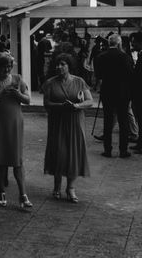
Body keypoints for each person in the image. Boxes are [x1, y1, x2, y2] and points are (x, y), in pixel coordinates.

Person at [0, 52, 32, 210]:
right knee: (0, 158)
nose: (7, 69)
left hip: (14, 123)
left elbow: (28, 100)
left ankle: (23, 195)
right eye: (4, 67)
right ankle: (1, 191)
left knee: (17, 159)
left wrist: (19, 95)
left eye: (9, 66)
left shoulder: (17, 79)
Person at [42, 53, 93, 203]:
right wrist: (60, 106)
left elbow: (90, 101)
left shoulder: (79, 82)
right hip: (57, 122)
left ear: (69, 66)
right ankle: (57, 186)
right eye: (57, 64)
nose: (59, 67)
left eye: (62, 64)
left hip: (75, 122)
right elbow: (46, 104)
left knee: (73, 153)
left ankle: (70, 187)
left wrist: (77, 105)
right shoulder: (50, 83)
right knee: (59, 152)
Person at [94, 34, 133, 158]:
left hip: (107, 91)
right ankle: (123, 150)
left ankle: (108, 150)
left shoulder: (101, 57)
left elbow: (98, 75)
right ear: (119, 43)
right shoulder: (125, 57)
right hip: (122, 92)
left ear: (108, 43)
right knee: (123, 121)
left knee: (108, 120)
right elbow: (130, 75)